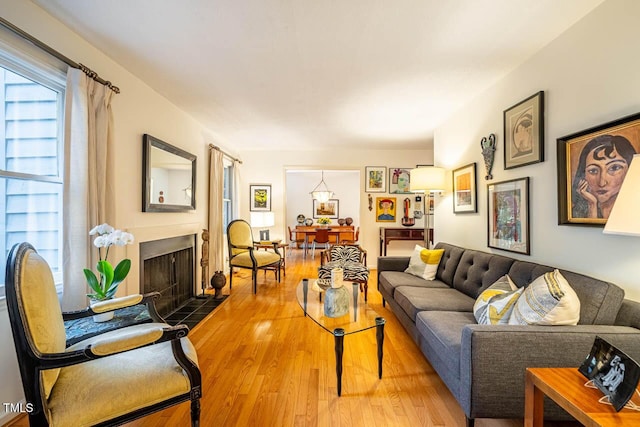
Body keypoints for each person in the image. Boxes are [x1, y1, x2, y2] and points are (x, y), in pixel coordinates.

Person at [572, 134, 636, 219]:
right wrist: (592, 205)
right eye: (593, 171)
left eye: (614, 168)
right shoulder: (576, 213)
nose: (602, 183)